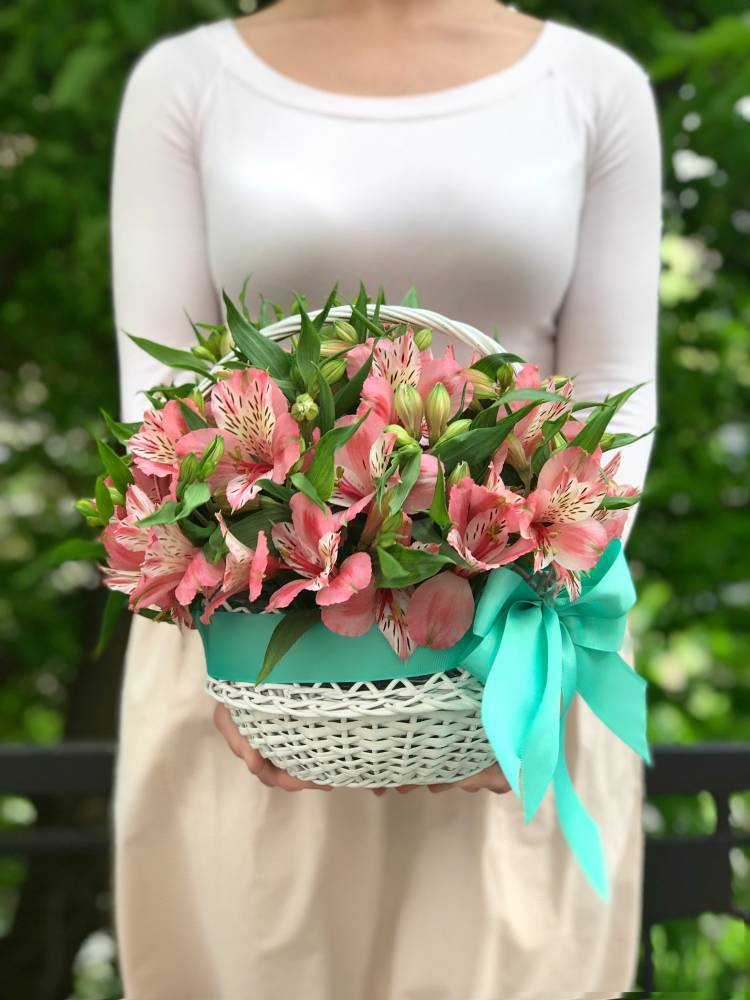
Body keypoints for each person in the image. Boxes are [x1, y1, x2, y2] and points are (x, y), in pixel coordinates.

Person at [110, 1, 662, 997]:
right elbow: (161, 411)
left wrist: (528, 645)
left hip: (521, 642)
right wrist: (230, 674)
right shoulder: (187, 83)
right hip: (236, 657)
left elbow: (617, 397)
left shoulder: (592, 85)